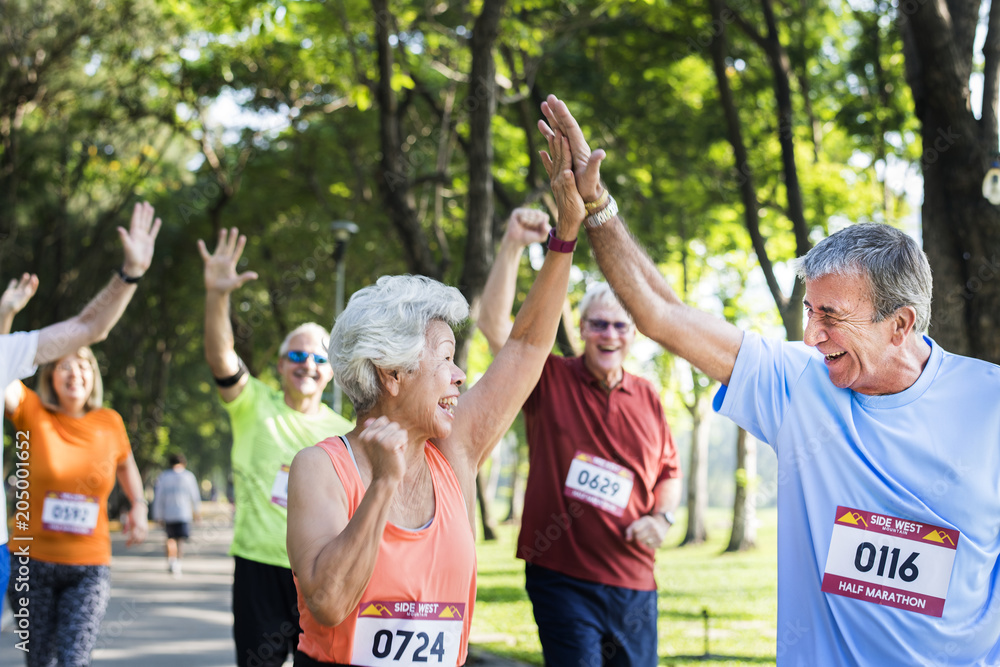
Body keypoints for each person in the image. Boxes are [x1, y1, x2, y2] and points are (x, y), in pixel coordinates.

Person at [539, 93, 1000, 665]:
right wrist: (599, 207)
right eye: (810, 311)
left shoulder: (991, 404)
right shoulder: (800, 384)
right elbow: (663, 317)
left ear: (899, 323)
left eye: (831, 316)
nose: (811, 336)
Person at [285, 127, 587, 667]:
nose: (460, 375)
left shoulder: (455, 450)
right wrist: (382, 484)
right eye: (445, 358)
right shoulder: (321, 469)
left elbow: (525, 347)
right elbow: (328, 603)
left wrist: (566, 231)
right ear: (393, 374)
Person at [477, 209, 682, 666]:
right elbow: (494, 329)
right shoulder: (548, 377)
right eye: (597, 324)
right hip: (561, 576)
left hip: (634, 581)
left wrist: (663, 519)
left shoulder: (648, 395)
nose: (608, 335)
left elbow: (669, 471)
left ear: (633, 334)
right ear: (582, 330)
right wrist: (512, 245)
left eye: (619, 326)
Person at [0, 201, 160, 666]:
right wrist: (6, 313)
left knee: (71, 661)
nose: (73, 373)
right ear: (49, 376)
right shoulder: (30, 410)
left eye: (82, 365)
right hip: (30, 562)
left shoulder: (109, 421)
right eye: (64, 365)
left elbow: (90, 326)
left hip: (88, 563)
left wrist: (138, 504)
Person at [198, 228, 355, 667]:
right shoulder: (253, 403)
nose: (308, 364)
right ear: (282, 364)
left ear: (332, 373)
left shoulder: (344, 431)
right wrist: (217, 296)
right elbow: (220, 355)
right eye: (298, 356)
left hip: (318, 570)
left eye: (320, 359)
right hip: (259, 566)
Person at [152, 452, 202, 576]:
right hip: (183, 514)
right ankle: (178, 563)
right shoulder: (188, 476)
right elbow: (194, 496)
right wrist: (197, 512)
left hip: (168, 513)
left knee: (170, 539)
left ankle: (171, 561)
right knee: (180, 540)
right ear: (183, 463)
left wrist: (157, 515)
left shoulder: (164, 477)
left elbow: (158, 497)